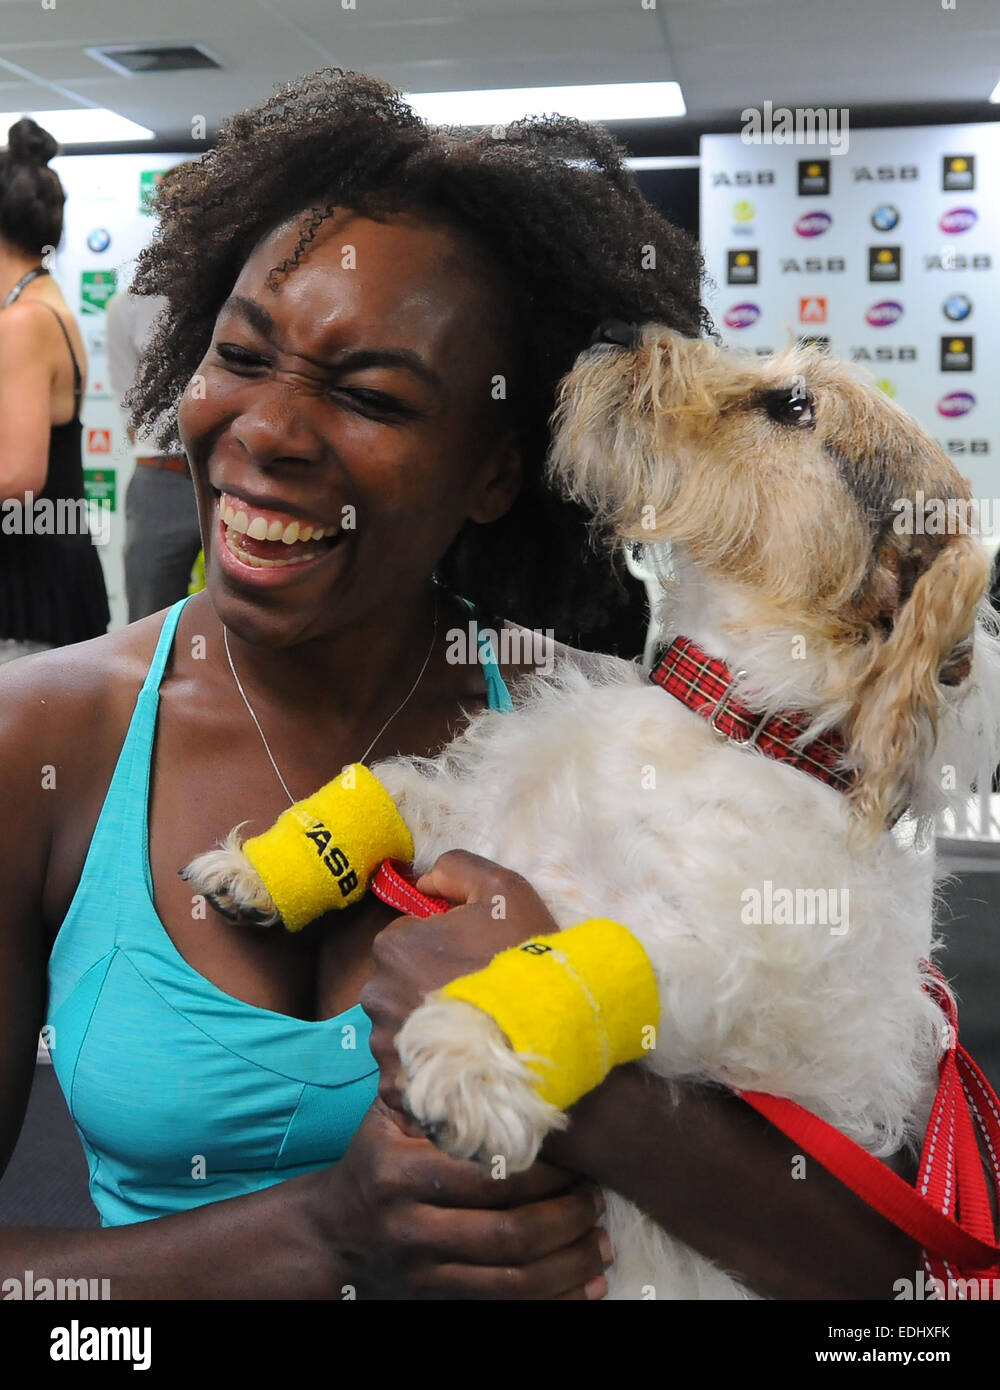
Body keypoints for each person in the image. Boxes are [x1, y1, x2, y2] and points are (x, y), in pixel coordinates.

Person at [0, 70, 920, 1299]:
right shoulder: (44, 736)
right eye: (240, 354)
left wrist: (589, 1081)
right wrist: (323, 1235)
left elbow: (895, 1278)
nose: (264, 429)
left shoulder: (608, 732)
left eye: (371, 395)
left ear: (494, 470)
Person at [0, 117, 109, 665]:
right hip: (47, 574)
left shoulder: (24, 320)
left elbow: (18, 478)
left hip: (27, 588)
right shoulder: (46, 303)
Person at [106, 286, 202, 621]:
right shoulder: (127, 306)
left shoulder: (243, 285)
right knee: (149, 626)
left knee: (247, 619)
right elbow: (128, 402)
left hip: (232, 475)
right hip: (160, 480)